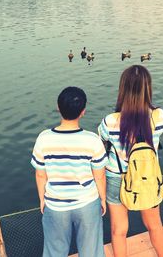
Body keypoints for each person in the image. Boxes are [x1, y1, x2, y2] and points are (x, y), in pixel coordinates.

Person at [98, 65, 163, 257]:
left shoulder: (110, 121)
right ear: (148, 88)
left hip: (116, 178)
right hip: (146, 176)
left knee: (118, 230)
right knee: (154, 225)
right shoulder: (159, 116)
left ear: (122, 89)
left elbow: (102, 141)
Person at [31, 86, 108, 257]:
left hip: (55, 204)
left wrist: (42, 199)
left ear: (58, 108)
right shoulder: (92, 140)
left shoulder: (44, 138)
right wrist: (102, 198)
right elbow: (100, 175)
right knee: (91, 251)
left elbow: (40, 174)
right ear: (83, 112)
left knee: (55, 251)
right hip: (87, 202)